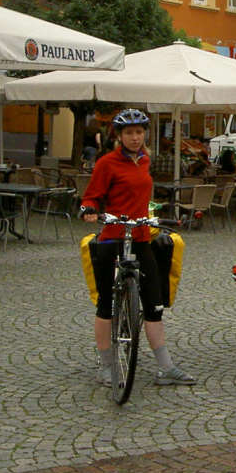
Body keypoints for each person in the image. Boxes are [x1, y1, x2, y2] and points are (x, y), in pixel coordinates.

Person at [80, 109, 195, 387]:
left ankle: (166, 367)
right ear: (119, 136)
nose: (135, 137)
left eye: (139, 132)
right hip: (113, 236)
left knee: (154, 303)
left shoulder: (144, 160)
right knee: (105, 303)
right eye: (129, 133)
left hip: (142, 236)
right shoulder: (107, 163)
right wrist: (90, 209)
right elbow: (93, 194)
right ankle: (107, 366)